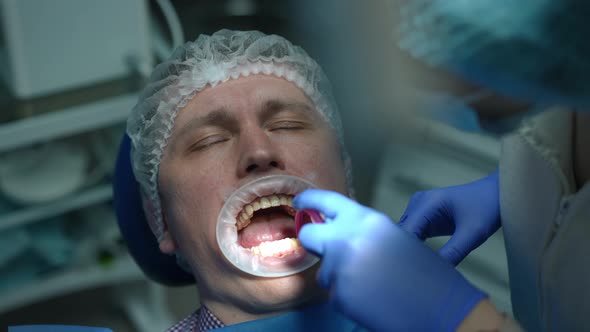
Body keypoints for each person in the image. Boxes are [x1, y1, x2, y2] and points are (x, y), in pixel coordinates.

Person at [292, 1, 590, 331]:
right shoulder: (559, 65)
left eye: (287, 124)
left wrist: (464, 320)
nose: (260, 153)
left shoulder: (535, 43)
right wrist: (521, 183)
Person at [123, 29, 366, 331]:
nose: (259, 151)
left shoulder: (435, 310)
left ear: (346, 176)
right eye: (208, 140)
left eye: (287, 125)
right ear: (162, 218)